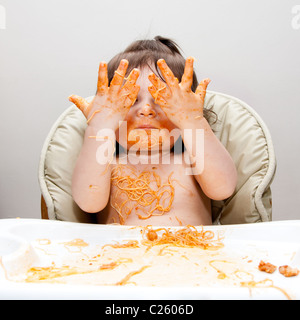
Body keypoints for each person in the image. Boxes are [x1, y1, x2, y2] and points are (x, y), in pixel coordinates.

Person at [69, 36, 237, 226]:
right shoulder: (105, 163)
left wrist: (194, 122)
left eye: (162, 100)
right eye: (131, 101)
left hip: (192, 253)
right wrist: (99, 127)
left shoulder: (192, 160)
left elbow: (223, 189)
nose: (146, 110)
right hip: (120, 254)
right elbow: (88, 203)